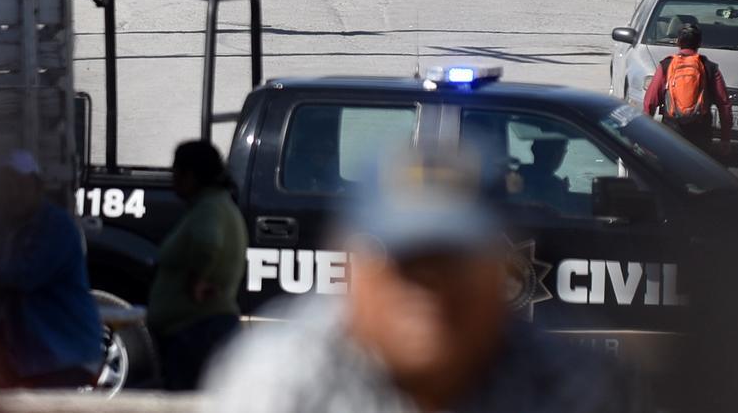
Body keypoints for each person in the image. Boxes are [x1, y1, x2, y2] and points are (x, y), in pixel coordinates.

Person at [205, 149, 627, 413]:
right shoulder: (283, 379)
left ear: (501, 274)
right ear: (352, 273)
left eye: (453, 261)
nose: (429, 288)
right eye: (404, 262)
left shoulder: (569, 384)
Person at [0, 151, 105, 389]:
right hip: (31, 357)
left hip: (63, 354)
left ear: (37, 188)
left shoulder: (56, 226)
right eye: (5, 187)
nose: (13, 194)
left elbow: (24, 275)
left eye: (20, 185)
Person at [147, 141, 247, 391]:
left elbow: (207, 243)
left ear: (190, 175)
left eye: (175, 172)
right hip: (198, 330)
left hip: (196, 332)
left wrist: (197, 280)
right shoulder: (217, 205)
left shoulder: (209, 208)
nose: (172, 180)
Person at [643, 23, 734, 155]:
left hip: (671, 131)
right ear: (699, 43)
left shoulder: (666, 65)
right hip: (701, 133)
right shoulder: (710, 67)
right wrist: (725, 138)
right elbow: (724, 104)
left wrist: (645, 133)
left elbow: (650, 101)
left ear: (678, 42)